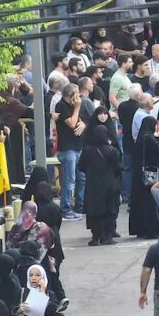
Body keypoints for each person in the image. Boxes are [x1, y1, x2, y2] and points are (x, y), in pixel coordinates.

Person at [78, 126, 120, 246]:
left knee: (94, 210)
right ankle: (107, 236)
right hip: (109, 184)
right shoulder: (111, 150)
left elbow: (80, 166)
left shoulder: (87, 150)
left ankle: (96, 236)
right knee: (109, 210)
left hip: (93, 185)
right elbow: (118, 168)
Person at [56, 83, 86, 220]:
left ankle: (80, 205)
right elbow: (72, 123)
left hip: (78, 146)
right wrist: (77, 107)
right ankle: (65, 209)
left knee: (81, 177)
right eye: (77, 93)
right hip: (67, 148)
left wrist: (83, 124)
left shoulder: (73, 107)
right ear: (72, 95)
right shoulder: (62, 106)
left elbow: (80, 120)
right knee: (69, 180)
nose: (79, 96)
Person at [130, 116, 159, 239]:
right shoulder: (150, 138)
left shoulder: (140, 138)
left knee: (141, 202)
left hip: (139, 175)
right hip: (151, 174)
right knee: (150, 203)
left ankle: (140, 229)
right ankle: (151, 230)